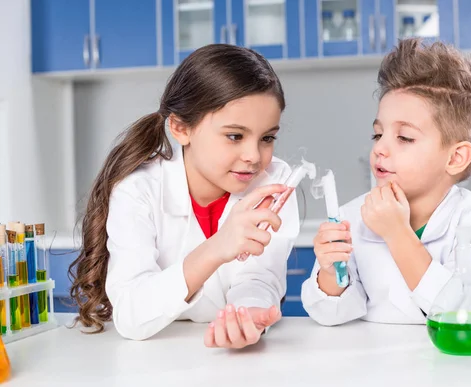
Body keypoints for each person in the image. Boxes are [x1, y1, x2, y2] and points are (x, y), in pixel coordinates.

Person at [69, 44, 299, 347]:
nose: (254, 156)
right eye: (235, 136)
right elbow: (131, 316)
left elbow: (258, 276)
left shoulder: (274, 181)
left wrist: (246, 316)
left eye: (267, 138)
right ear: (180, 128)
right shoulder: (138, 190)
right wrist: (216, 248)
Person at [302, 38, 471, 325]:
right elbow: (331, 315)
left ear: (455, 157)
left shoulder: (470, 222)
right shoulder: (353, 216)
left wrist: (397, 233)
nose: (379, 149)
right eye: (378, 134)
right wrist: (329, 271)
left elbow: (467, 313)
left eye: (404, 138)